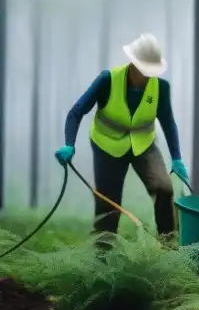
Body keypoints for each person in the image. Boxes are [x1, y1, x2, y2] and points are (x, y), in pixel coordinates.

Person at [54, 33, 186, 236]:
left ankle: (168, 245)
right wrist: (69, 144)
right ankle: (104, 256)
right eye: (145, 70)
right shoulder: (108, 80)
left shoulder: (161, 88)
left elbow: (168, 123)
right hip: (107, 144)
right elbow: (76, 111)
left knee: (164, 188)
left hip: (143, 145)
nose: (148, 75)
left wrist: (177, 158)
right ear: (133, 63)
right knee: (109, 203)